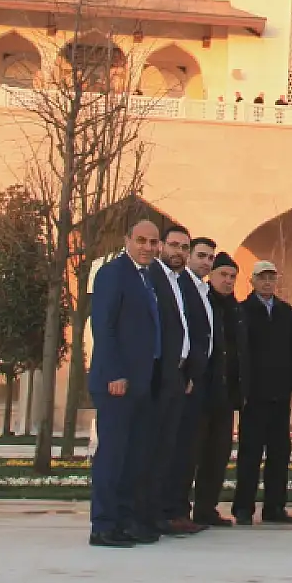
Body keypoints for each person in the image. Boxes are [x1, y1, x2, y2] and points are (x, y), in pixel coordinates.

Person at [86, 220, 163, 547]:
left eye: (153, 242)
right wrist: (116, 373)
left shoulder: (149, 278)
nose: (148, 247)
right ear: (127, 240)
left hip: (142, 383)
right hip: (118, 383)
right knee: (113, 456)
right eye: (141, 240)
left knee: (134, 457)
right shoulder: (113, 273)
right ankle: (103, 525)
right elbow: (104, 327)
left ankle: (125, 521)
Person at [135, 223, 196, 541]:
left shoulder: (178, 282)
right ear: (161, 247)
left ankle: (157, 514)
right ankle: (144, 516)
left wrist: (184, 374)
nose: (178, 252)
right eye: (173, 245)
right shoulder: (152, 278)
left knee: (166, 452)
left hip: (176, 376)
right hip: (158, 377)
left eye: (184, 247)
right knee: (151, 449)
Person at [232, 261, 292, 525]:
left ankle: (274, 508)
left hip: (280, 395)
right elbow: (240, 354)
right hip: (254, 396)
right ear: (253, 281)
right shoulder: (243, 311)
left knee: (279, 454)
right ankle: (243, 508)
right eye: (262, 278)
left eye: (271, 278)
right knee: (250, 453)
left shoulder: (286, 312)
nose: (267, 282)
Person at [159, 225, 212, 536]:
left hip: (191, 379)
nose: (206, 261)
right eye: (199, 254)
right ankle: (166, 511)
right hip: (177, 378)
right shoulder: (174, 284)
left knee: (184, 450)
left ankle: (178, 510)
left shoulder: (193, 287)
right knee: (170, 448)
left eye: (210, 257)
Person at [192, 254, 244, 526]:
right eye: (223, 275)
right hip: (202, 393)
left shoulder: (236, 310)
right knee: (194, 454)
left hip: (225, 396)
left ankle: (206, 508)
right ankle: (176, 508)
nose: (228, 281)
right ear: (212, 276)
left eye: (232, 276)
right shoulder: (202, 303)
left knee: (217, 455)